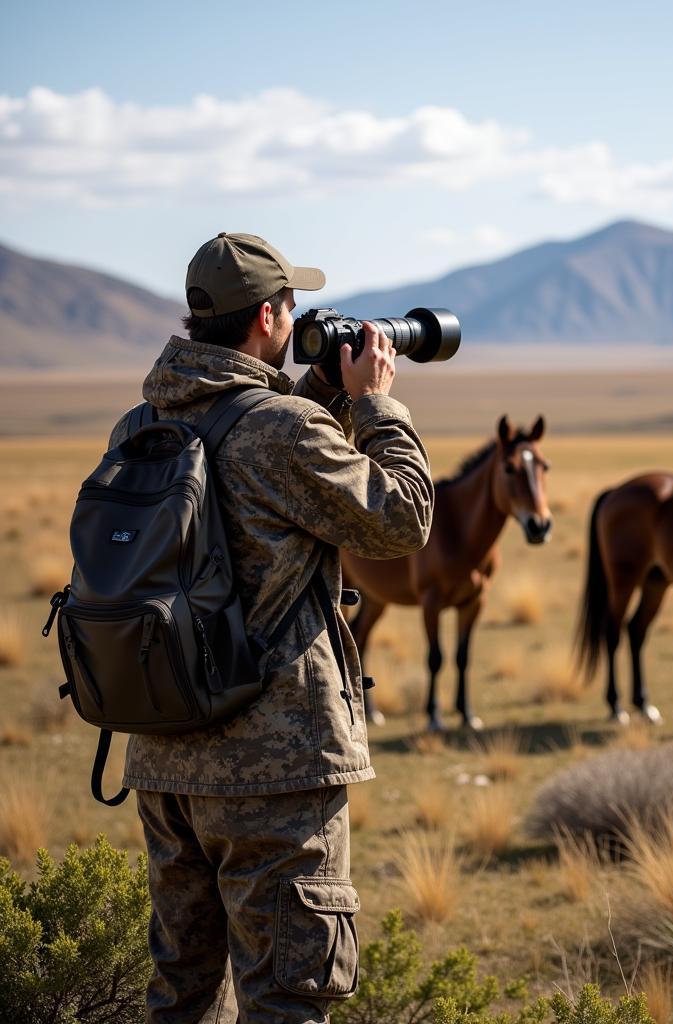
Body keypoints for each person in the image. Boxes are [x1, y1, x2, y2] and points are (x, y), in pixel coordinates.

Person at [106, 232, 434, 1023]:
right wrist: (376, 404)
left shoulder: (139, 423)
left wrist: (316, 395)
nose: (298, 316)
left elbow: (247, 487)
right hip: (277, 771)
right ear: (267, 316)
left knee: (181, 995)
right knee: (287, 999)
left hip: (164, 756)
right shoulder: (284, 432)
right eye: (292, 304)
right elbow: (403, 520)